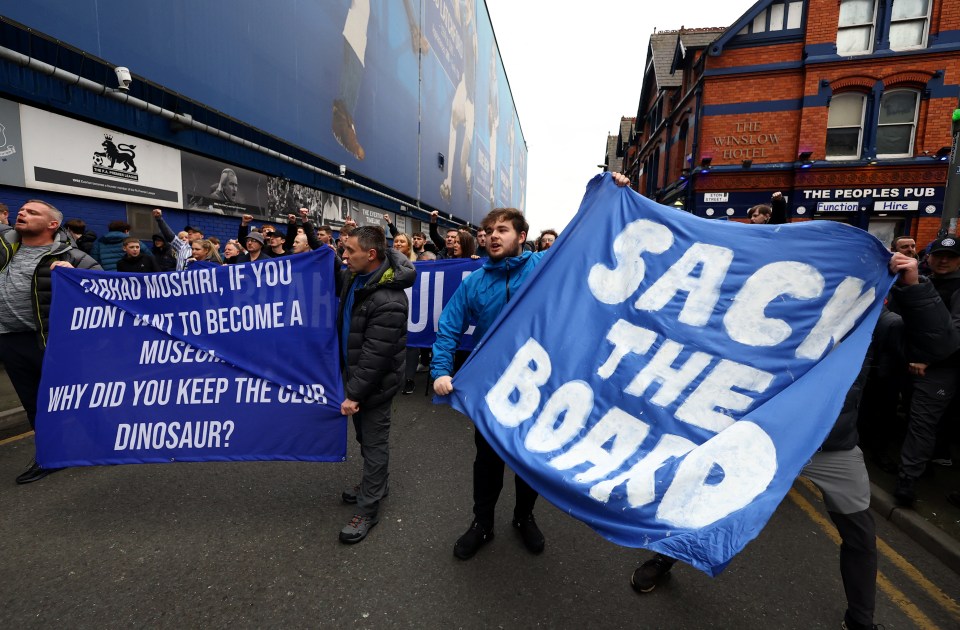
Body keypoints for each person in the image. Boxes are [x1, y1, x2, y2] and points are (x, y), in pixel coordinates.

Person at [631, 252, 957, 630]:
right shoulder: (765, 315)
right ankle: (663, 559)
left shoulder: (874, 322)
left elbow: (937, 346)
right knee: (697, 503)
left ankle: (861, 620)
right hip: (760, 441)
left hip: (831, 446)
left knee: (860, 535)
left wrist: (915, 285)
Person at [432, 207, 548, 560]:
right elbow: (449, 325)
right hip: (492, 389)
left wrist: (613, 189)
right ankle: (482, 523)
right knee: (488, 460)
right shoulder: (475, 282)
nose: (494, 236)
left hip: (538, 385)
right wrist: (440, 371)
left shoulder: (543, 268)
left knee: (529, 459)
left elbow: (587, 242)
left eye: (503, 230)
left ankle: (523, 517)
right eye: (489, 230)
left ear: (521, 237)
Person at [0, 200, 101, 484]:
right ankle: (52, 454)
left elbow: (102, 295)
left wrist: (75, 277)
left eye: (32, 212)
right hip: (9, 338)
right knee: (33, 403)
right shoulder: (5, 248)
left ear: (52, 224)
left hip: (53, 342)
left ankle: (101, 441)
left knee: (77, 397)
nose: (22, 213)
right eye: (22, 209)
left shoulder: (77, 258)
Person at [337, 226, 415, 543]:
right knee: (366, 440)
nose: (343, 257)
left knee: (374, 443)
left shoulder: (390, 299)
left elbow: (376, 355)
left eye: (349, 251)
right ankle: (375, 484)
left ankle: (368, 509)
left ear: (371, 255)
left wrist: (354, 393)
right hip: (355, 376)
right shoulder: (354, 277)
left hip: (373, 386)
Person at [895, 236, 960, 506]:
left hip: (940, 368)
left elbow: (955, 332)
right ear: (929, 257)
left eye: (951, 256)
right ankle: (925, 465)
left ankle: (907, 481)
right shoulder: (920, 279)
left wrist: (928, 360)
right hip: (914, 363)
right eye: (939, 255)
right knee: (920, 420)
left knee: (922, 424)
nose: (943, 260)